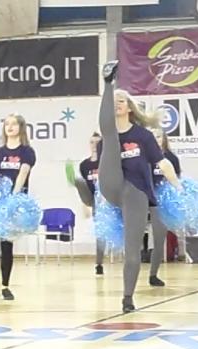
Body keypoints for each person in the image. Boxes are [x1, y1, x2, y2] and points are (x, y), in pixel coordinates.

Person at [97, 61, 181, 312]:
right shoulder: (106, 138)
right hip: (110, 186)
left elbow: (162, 162)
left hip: (135, 192)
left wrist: (178, 186)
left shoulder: (143, 136)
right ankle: (107, 81)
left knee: (132, 249)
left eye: (121, 100)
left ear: (130, 108)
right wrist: (109, 87)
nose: (117, 103)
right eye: (113, 100)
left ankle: (127, 297)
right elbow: (105, 138)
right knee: (109, 138)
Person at [0, 114, 37, 300]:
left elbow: (23, 173)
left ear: (21, 128)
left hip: (15, 203)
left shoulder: (27, 151)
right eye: (7, 124)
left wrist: (13, 199)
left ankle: (5, 286)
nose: (10, 127)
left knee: (8, 242)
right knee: (4, 243)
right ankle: (4, 287)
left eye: (14, 124)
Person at [147, 128, 181, 287]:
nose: (156, 139)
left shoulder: (171, 158)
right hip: (141, 198)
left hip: (160, 202)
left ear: (164, 139)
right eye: (153, 137)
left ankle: (153, 274)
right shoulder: (143, 157)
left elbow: (176, 180)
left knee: (159, 239)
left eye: (159, 136)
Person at [74, 132, 106, 276]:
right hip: (93, 200)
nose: (94, 146)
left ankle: (99, 263)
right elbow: (85, 188)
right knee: (78, 181)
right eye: (92, 142)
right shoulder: (84, 165)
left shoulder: (107, 162)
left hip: (107, 199)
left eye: (98, 143)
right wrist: (85, 206)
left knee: (103, 233)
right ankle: (99, 263)